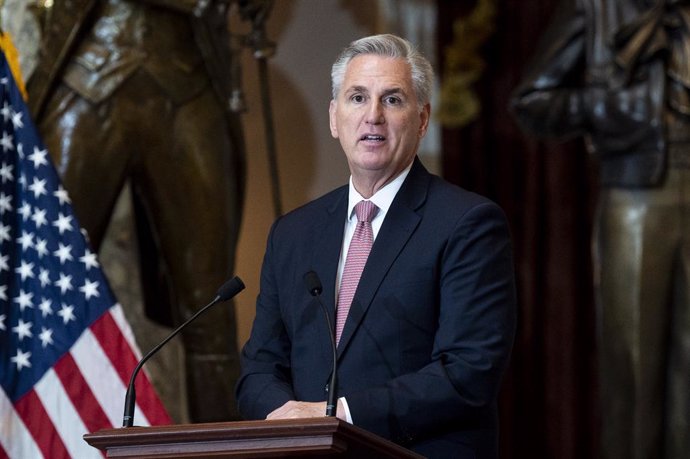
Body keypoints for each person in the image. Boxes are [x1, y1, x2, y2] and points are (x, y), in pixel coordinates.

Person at [236, 34, 517, 458]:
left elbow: (467, 372)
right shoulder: (292, 233)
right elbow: (259, 368)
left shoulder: (469, 224)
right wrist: (286, 416)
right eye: (356, 98)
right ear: (334, 118)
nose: (373, 117)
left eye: (392, 100)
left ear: (422, 119)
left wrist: (340, 417)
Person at [26, 0, 246, 422]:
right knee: (46, 297)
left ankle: (226, 451)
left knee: (210, 310)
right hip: (85, 77)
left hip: (189, 82)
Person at [510, 1, 690, 458]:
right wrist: (610, 107)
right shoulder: (595, 7)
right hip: (638, 198)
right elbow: (531, 100)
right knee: (635, 373)